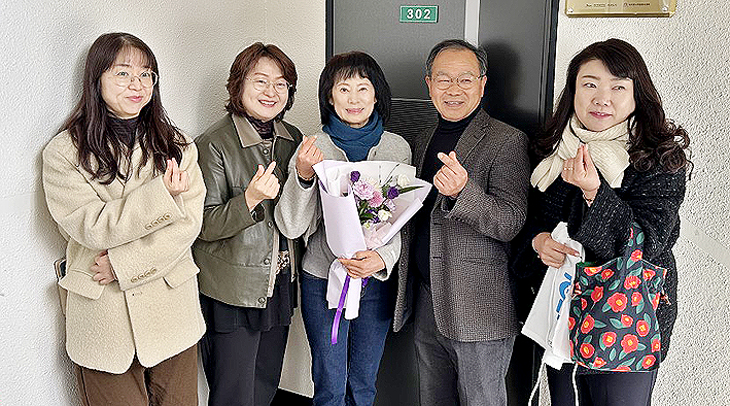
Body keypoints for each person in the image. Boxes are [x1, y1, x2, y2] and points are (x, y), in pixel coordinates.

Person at [510, 38, 690, 406]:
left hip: (628, 321)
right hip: (561, 313)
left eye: (618, 87)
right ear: (573, 91)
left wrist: (594, 192)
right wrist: (537, 242)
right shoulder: (552, 150)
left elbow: (647, 242)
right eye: (589, 84)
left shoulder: (659, 158)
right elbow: (528, 222)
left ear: (637, 95)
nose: (601, 98)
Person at [42, 32, 205, 406]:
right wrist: (161, 197)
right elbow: (92, 225)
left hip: (171, 309)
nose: (138, 84)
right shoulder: (64, 152)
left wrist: (123, 264)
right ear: (96, 79)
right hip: (104, 316)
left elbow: (187, 225)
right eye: (123, 73)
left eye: (146, 74)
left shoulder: (177, 145)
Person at [392, 39, 530, 406]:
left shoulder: (507, 140)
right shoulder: (421, 140)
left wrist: (462, 193)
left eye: (465, 80)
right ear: (429, 84)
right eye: (444, 79)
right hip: (427, 301)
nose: (454, 90)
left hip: (480, 307)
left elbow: (510, 221)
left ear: (482, 84)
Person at [275, 51, 411, 406]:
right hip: (324, 278)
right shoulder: (312, 147)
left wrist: (382, 259)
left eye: (363, 88)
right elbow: (291, 225)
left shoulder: (397, 148)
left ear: (377, 95)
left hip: (375, 280)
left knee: (364, 384)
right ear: (330, 97)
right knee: (329, 384)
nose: (354, 98)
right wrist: (303, 175)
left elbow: (401, 222)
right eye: (344, 89)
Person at [192, 42, 303, 406]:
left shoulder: (293, 139)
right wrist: (249, 200)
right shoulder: (213, 144)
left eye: (281, 83)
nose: (271, 91)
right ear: (238, 85)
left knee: (266, 383)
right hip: (233, 288)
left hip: (280, 282)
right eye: (260, 81)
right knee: (233, 392)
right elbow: (204, 225)